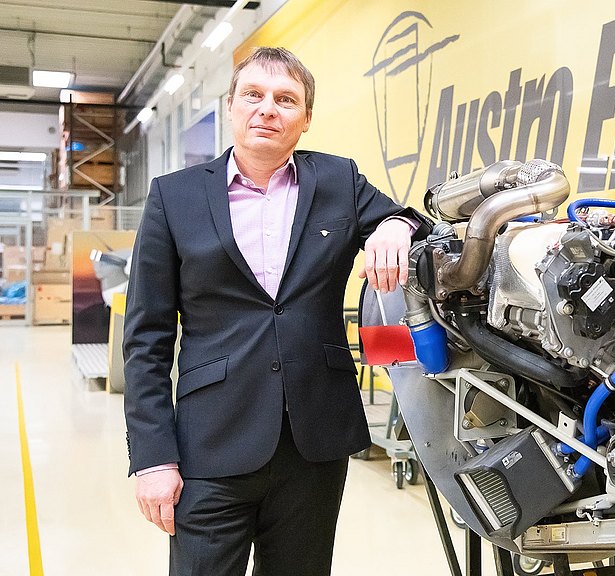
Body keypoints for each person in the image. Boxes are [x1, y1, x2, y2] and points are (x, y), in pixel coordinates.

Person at [123, 47, 430, 576]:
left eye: (286, 99)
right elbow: (146, 338)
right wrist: (152, 457)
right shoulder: (175, 197)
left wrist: (396, 226)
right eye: (254, 95)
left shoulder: (338, 180)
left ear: (305, 118)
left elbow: (413, 221)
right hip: (210, 444)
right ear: (232, 107)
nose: (268, 109)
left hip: (313, 441)